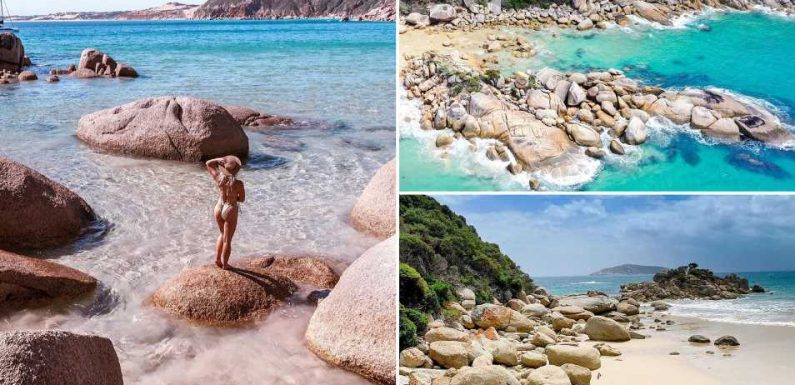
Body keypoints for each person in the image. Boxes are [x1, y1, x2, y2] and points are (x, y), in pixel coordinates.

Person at [205, 156, 245, 269]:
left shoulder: (219, 177)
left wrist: (218, 160)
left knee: (222, 234)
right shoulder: (239, 184)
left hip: (219, 206)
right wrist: (233, 199)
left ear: (224, 167)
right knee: (227, 239)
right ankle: (226, 264)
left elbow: (208, 163)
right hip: (230, 208)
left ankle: (217, 259)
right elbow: (242, 199)